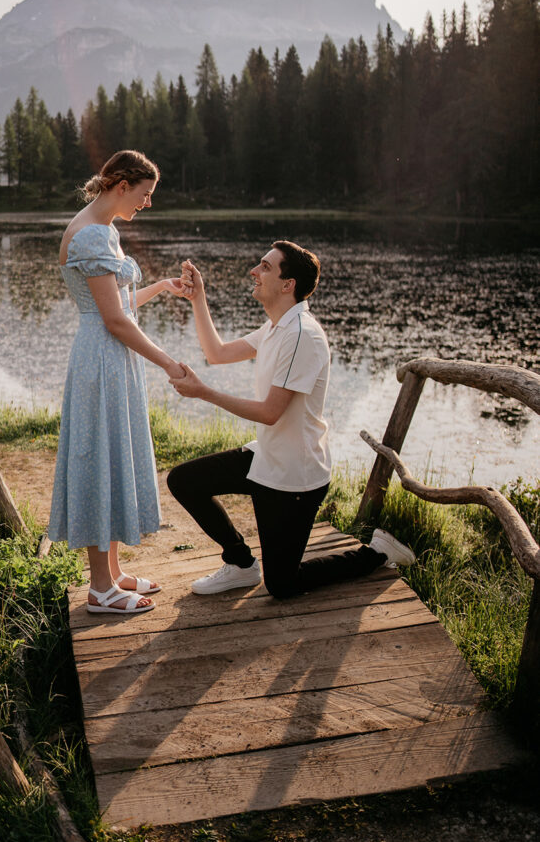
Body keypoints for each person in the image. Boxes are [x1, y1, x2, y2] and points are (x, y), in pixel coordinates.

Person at [167, 241, 415, 598]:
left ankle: (376, 553)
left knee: (283, 584)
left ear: (288, 284)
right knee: (185, 481)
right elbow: (216, 353)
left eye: (265, 267)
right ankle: (240, 563)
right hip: (267, 459)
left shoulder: (302, 335)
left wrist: (203, 392)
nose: (254, 271)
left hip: (294, 479)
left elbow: (270, 413)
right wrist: (198, 298)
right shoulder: (276, 328)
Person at [48, 149, 191, 614]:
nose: (147, 203)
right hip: (102, 358)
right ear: (121, 185)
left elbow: (119, 305)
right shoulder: (90, 235)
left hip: (109, 356)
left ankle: (113, 573)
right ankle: (99, 590)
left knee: (111, 455)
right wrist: (168, 362)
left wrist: (160, 286)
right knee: (99, 459)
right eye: (145, 194)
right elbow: (114, 320)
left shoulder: (102, 228)